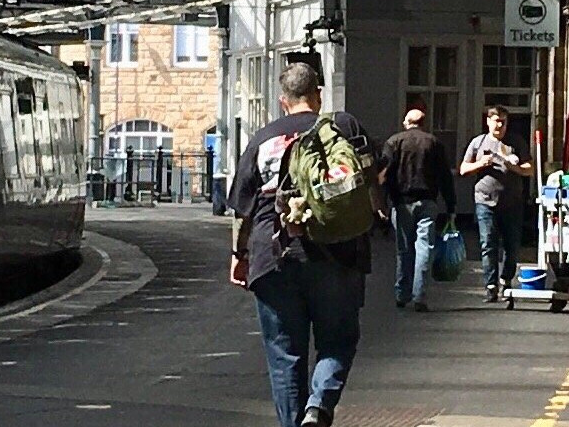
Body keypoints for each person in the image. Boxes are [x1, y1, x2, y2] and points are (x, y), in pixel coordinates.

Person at [226, 62, 377, 427]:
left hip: (272, 256)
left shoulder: (262, 139)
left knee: (285, 355)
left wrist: (238, 256)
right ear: (318, 95)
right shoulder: (343, 128)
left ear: (283, 101)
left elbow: (242, 210)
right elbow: (371, 181)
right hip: (338, 254)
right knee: (338, 341)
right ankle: (319, 407)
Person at [381, 108, 456, 312]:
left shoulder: (394, 142)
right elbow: (445, 176)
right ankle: (420, 295)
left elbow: (384, 173)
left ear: (407, 122)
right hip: (428, 201)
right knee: (425, 248)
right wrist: (451, 204)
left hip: (402, 202)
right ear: (424, 122)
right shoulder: (434, 143)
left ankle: (401, 293)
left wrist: (383, 202)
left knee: (404, 250)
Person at [459, 105, 532, 303]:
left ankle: (506, 279)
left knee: (512, 245)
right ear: (488, 122)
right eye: (496, 121)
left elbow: (529, 169)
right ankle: (490, 285)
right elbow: (463, 169)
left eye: (503, 121)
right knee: (488, 242)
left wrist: (513, 166)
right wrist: (481, 164)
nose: (499, 125)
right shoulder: (479, 142)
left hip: (512, 202)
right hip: (485, 200)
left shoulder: (516, 142)